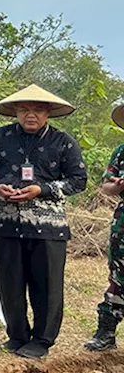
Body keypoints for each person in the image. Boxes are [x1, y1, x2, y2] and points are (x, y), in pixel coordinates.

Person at [0, 85, 87, 359]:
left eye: (38, 109)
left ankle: (42, 340)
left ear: (48, 112)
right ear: (16, 111)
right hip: (5, 222)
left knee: (47, 285)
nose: (31, 114)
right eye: (24, 108)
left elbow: (79, 181)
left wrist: (42, 189)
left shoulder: (63, 141)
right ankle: (17, 336)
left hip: (48, 226)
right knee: (9, 282)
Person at [87, 103, 124, 351]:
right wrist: (119, 185)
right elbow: (106, 187)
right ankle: (106, 332)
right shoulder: (121, 152)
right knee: (119, 277)